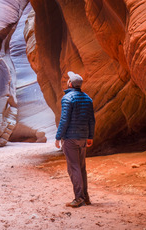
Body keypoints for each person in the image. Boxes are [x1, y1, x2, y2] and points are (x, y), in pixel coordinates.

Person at [55, 70, 95, 208]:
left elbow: (64, 120)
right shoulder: (87, 98)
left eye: (69, 80)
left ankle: (79, 198)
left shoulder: (67, 99)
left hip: (70, 139)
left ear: (70, 84)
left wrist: (58, 137)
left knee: (74, 168)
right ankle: (86, 197)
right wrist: (90, 137)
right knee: (81, 167)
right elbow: (91, 120)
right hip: (83, 138)